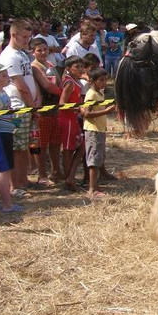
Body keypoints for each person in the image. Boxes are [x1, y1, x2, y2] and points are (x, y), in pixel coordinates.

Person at [0, 18, 38, 197]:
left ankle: (23, 181)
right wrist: (33, 107)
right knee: (17, 149)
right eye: (24, 37)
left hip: (27, 107)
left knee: (24, 148)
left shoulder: (22, 53)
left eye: (29, 37)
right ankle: (16, 187)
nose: (27, 40)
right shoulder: (10, 56)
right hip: (18, 108)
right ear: (13, 35)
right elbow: (21, 86)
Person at [0, 64, 24, 213]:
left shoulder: (1, 93)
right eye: (4, 76)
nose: (8, 78)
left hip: (3, 134)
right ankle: (7, 205)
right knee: (4, 170)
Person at [30, 37, 63, 184]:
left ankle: (56, 171)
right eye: (39, 50)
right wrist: (64, 93)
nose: (43, 52)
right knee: (42, 145)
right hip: (43, 110)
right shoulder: (34, 67)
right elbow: (48, 86)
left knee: (55, 142)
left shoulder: (50, 64)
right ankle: (42, 175)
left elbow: (59, 81)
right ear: (33, 52)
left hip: (55, 109)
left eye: (45, 49)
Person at [81, 68, 116, 199]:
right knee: (94, 160)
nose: (104, 82)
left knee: (99, 157)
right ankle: (92, 189)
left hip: (100, 129)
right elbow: (87, 113)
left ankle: (95, 185)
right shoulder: (91, 94)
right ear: (92, 81)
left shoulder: (99, 93)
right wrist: (106, 111)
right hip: (93, 130)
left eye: (105, 80)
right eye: (101, 80)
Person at [58, 56, 85, 192]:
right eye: (77, 67)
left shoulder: (76, 81)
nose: (80, 69)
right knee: (68, 150)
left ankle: (70, 176)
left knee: (81, 147)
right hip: (67, 119)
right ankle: (69, 179)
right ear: (69, 69)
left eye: (81, 66)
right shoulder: (69, 83)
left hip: (73, 118)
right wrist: (78, 108)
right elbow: (62, 103)